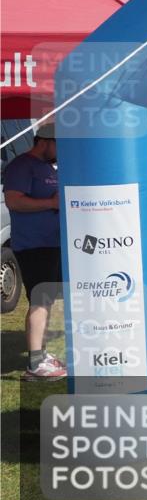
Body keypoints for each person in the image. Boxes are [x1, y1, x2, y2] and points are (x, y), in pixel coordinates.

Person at [3, 124, 66, 381]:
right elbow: (14, 201)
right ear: (44, 141)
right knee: (40, 299)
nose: (60, 151)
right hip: (33, 245)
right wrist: (50, 203)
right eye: (58, 145)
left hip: (52, 243)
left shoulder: (46, 167)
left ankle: (41, 353)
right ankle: (35, 363)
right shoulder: (21, 166)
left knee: (47, 299)